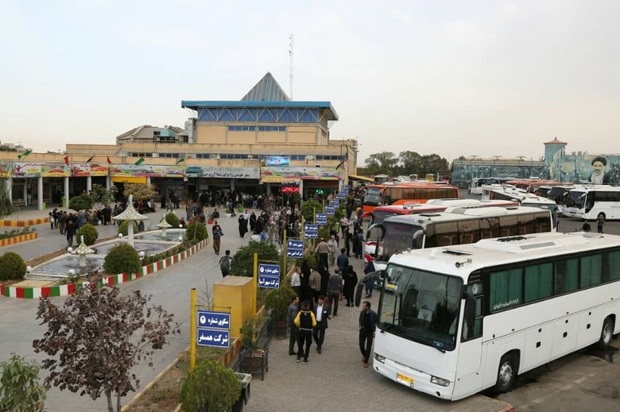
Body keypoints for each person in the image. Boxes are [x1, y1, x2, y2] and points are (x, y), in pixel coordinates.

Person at [293, 300, 317, 364]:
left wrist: (299, 325)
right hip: (308, 331)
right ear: (309, 306)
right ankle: (305, 359)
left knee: (301, 344)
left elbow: (296, 321)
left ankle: (298, 357)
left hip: (301, 330)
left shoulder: (300, 313)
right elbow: (314, 323)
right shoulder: (311, 313)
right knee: (308, 345)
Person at [358, 300, 378, 368]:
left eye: (364, 306)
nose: (363, 307)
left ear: (368, 307)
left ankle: (366, 360)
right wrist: (360, 326)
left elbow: (376, 323)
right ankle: (365, 354)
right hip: (363, 330)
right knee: (361, 344)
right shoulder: (362, 312)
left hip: (370, 331)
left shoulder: (373, 314)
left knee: (368, 346)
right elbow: (360, 319)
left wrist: (374, 331)